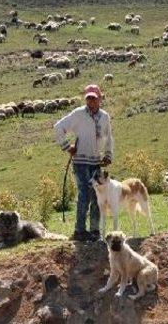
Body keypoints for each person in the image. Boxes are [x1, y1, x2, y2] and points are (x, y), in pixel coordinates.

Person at [54, 84, 113, 242]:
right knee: (85, 195)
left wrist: (108, 155)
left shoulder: (104, 117)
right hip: (80, 161)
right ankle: (79, 231)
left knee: (96, 196)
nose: (91, 101)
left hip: (96, 162)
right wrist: (67, 147)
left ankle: (94, 231)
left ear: (99, 98)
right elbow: (58, 128)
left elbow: (108, 137)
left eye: (94, 98)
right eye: (89, 98)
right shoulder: (78, 114)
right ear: (86, 99)